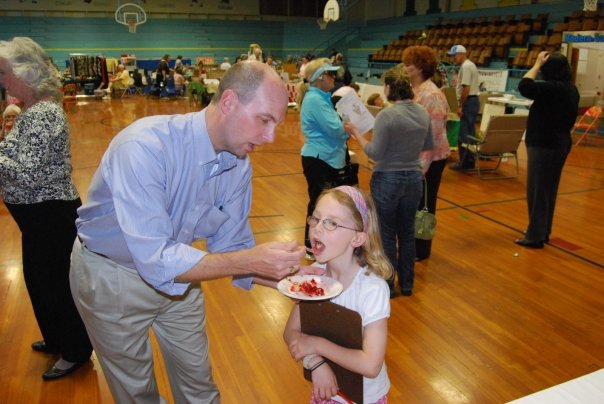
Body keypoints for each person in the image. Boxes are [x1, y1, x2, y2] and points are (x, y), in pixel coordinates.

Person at [69, 61, 306, 403]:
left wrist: (296, 279)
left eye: (275, 124)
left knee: (199, 387)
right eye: (264, 120)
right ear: (228, 102)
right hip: (112, 279)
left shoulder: (237, 163)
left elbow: (232, 246)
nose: (270, 137)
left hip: (182, 277)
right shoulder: (144, 147)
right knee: (137, 393)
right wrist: (248, 259)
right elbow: (157, 258)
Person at [0, 36, 92, 380]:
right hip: (38, 218)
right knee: (39, 282)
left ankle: (75, 351)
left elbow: (26, 172)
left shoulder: (44, 114)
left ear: (26, 75)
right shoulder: (32, 112)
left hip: (51, 216)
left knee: (56, 287)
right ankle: (57, 338)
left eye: (6, 74)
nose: (3, 81)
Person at [284, 186, 392, 403]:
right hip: (325, 392)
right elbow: (290, 332)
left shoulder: (372, 289)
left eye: (331, 223)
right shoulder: (313, 276)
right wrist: (315, 362)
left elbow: (371, 365)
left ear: (357, 239)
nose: (317, 229)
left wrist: (317, 345)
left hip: (365, 398)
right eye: (315, 219)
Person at [345, 64, 433, 297]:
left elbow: (374, 152)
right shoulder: (422, 112)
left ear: (391, 87)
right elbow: (427, 145)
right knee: (406, 233)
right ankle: (407, 284)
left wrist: (356, 133)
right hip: (413, 179)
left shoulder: (387, 115)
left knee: (385, 234)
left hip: (387, 179)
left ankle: (388, 284)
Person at [515, 51, 579, 249]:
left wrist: (535, 65)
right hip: (559, 144)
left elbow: (524, 86)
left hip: (544, 145)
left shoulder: (553, 88)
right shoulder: (570, 89)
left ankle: (534, 236)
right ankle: (543, 231)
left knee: (537, 192)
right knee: (548, 191)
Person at [299, 58, 351, 258]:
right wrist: (347, 128)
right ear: (321, 77)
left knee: (322, 205)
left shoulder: (321, 97)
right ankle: (312, 247)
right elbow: (337, 129)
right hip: (321, 159)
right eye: (331, 74)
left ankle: (318, 245)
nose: (334, 78)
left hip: (327, 158)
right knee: (319, 206)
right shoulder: (315, 99)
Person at [403, 45, 450, 261]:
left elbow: (433, 137)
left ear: (420, 68)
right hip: (413, 157)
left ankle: (421, 250)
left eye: (408, 66)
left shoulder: (432, 95)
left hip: (429, 160)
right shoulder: (415, 92)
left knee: (424, 206)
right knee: (413, 204)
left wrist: (419, 169)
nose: (405, 69)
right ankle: (412, 245)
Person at [447, 44, 479, 170]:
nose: (453, 58)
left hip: (468, 101)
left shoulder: (465, 67)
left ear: (461, 54)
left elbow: (466, 88)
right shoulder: (470, 65)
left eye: (454, 55)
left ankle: (465, 163)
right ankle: (469, 161)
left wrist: (460, 105)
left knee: (464, 133)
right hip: (472, 101)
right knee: (470, 132)